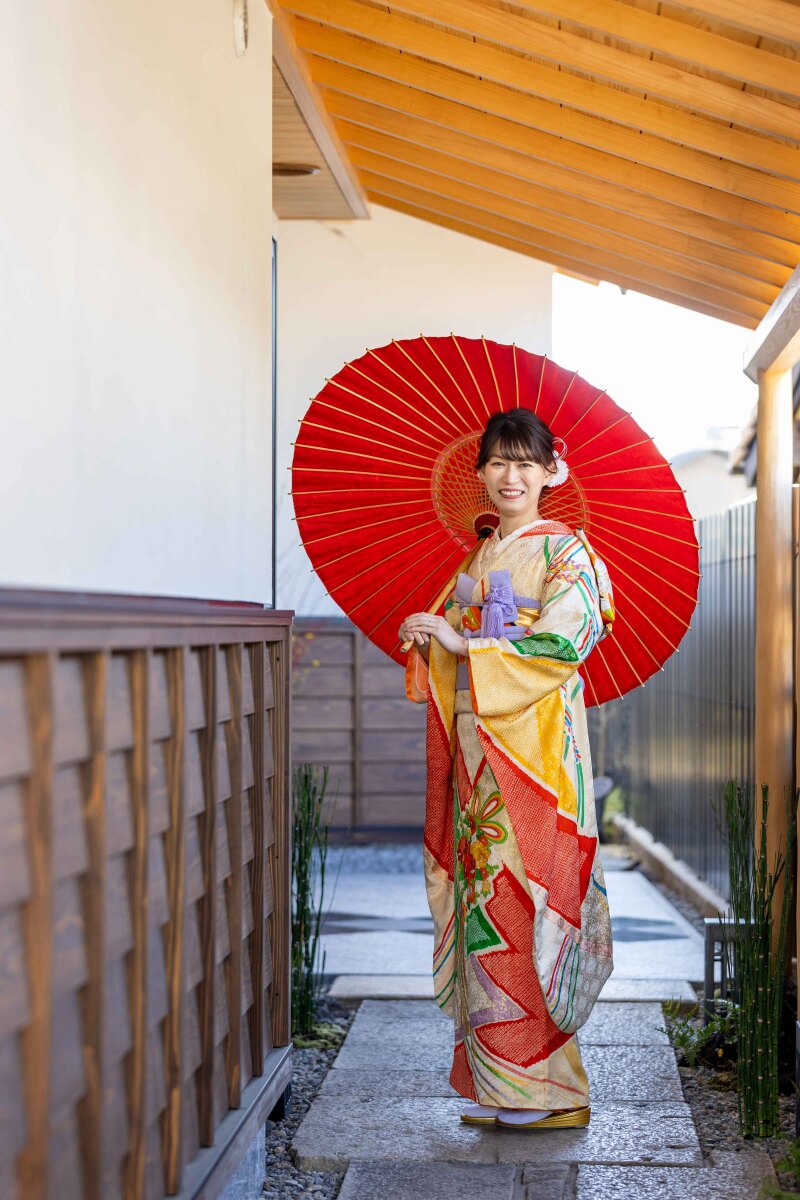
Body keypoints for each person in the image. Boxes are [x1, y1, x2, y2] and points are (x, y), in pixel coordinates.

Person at [398, 408, 615, 1131]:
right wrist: (429, 637)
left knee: (527, 899)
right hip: (477, 749)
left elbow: (564, 643)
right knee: (485, 903)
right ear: (482, 473)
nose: (512, 475)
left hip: (537, 753)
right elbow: (459, 646)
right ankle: (501, 1085)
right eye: (498, 462)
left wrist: (464, 651)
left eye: (527, 462)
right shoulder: (480, 554)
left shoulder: (568, 555)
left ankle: (549, 1089)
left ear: (555, 471)